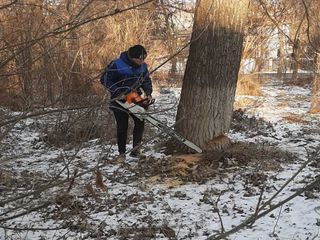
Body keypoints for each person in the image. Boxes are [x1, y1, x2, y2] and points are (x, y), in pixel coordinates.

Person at [101, 45, 153, 161]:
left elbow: (146, 80)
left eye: (143, 59)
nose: (141, 62)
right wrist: (117, 91)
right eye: (139, 59)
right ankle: (121, 153)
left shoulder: (143, 66)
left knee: (140, 121)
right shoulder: (116, 64)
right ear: (132, 57)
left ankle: (136, 150)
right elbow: (105, 79)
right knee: (122, 126)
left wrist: (148, 93)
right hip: (119, 100)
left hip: (135, 97)